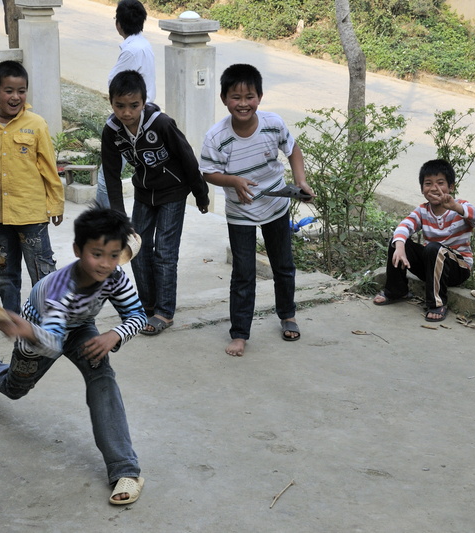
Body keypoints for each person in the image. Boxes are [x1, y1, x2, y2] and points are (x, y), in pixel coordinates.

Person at [0, 207, 147, 505]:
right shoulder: (59, 292)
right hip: (38, 334)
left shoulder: (115, 275)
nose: (105, 264)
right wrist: (27, 333)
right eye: (97, 254)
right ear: (77, 251)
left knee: (103, 378)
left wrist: (114, 334)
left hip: (81, 328)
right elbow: (51, 345)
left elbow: (136, 314)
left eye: (113, 255)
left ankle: (125, 469)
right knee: (15, 388)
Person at [200, 63, 314, 357]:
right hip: (240, 214)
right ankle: (239, 334)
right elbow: (208, 173)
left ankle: (288, 315)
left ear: (259, 97)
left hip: (276, 205)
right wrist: (232, 181)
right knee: (244, 273)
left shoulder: (273, 124)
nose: (243, 104)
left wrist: (300, 181)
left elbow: (293, 150)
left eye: (249, 96)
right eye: (236, 97)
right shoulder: (216, 137)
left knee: (283, 266)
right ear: (224, 99)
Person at [102, 70, 210, 336]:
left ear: (144, 101)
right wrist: (119, 217)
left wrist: (200, 192)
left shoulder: (160, 123)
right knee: (136, 249)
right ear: (111, 102)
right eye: (120, 106)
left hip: (173, 192)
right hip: (144, 194)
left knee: (164, 252)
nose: (127, 113)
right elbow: (112, 174)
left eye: (134, 106)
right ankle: (146, 307)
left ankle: (164, 312)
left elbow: (186, 156)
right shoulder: (112, 130)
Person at [0, 60, 65, 314]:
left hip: (31, 214)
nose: (15, 97)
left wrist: (55, 203)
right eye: (8, 90)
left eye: (21, 91)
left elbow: (49, 169)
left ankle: (45, 317)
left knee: (41, 269)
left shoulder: (36, 124)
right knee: (4, 271)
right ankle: (12, 317)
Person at [373, 159, 475, 322]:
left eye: (440, 183)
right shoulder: (423, 210)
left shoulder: (460, 206)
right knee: (398, 240)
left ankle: (437, 304)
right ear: (422, 189)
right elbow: (404, 226)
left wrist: (456, 208)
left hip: (458, 269)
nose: (434, 188)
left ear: (451, 187)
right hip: (431, 267)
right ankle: (397, 291)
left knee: (434, 248)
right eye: (428, 183)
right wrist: (399, 247)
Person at [95, 0, 156, 209]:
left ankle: (109, 223)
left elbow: (117, 86)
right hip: (141, 113)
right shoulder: (142, 45)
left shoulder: (132, 51)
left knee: (106, 178)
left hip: (132, 118)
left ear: (118, 23)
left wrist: (120, 109)